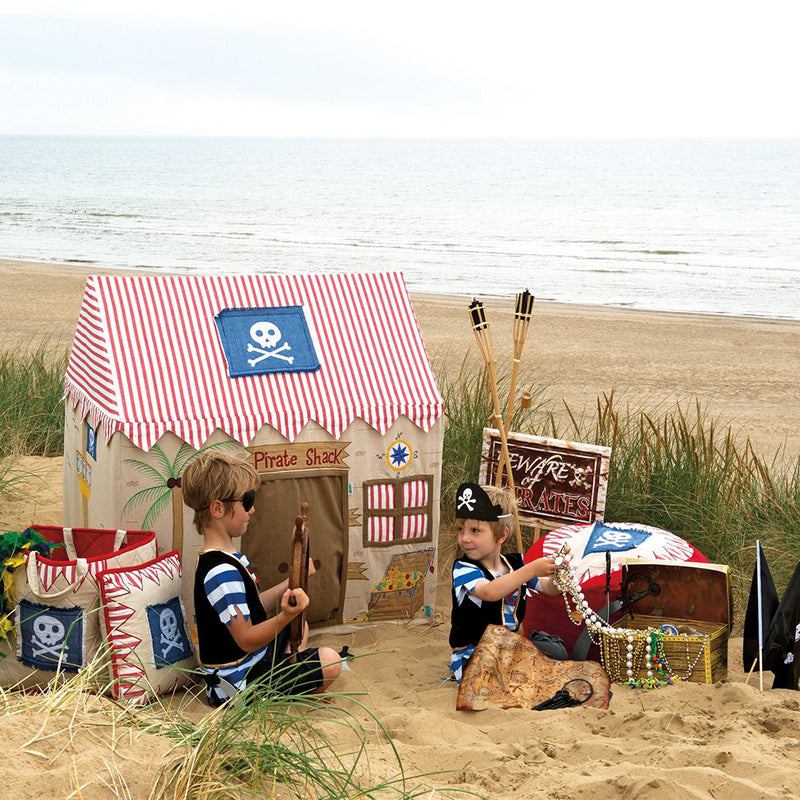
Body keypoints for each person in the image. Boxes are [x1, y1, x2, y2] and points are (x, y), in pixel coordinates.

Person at [182, 451, 342, 705]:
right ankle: (294, 688)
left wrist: (292, 581)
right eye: (247, 501)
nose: (253, 508)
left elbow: (254, 605)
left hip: (253, 660)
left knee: (300, 627)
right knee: (331, 661)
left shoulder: (226, 556)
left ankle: (291, 677)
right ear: (218, 508)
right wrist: (285, 615)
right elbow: (246, 639)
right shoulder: (220, 571)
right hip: (237, 684)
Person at [449, 482, 566, 682]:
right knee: (489, 668)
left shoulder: (514, 564)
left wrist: (558, 573)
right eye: (461, 529)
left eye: (475, 530)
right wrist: (531, 569)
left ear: (502, 535)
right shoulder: (464, 568)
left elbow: (548, 588)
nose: (465, 538)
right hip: (476, 652)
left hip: (509, 647)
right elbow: (489, 592)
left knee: (556, 650)